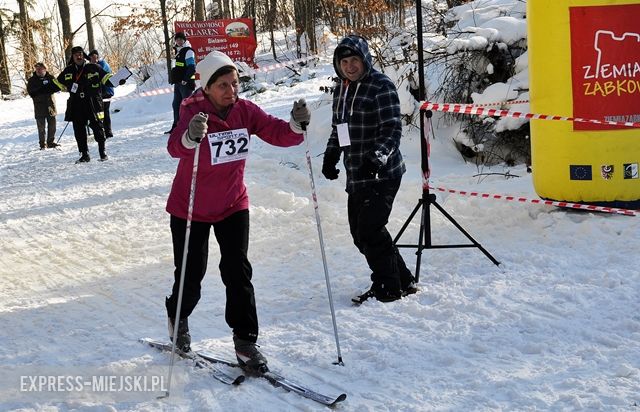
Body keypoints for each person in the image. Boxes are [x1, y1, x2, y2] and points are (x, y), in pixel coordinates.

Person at [164, 50, 310, 371]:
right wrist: (190, 137)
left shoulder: (244, 111)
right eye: (223, 85)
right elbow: (175, 145)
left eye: (234, 83)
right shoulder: (192, 111)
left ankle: (245, 341)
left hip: (232, 203)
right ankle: (178, 315)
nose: (231, 91)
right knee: (191, 277)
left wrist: (296, 127)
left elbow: (275, 131)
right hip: (191, 207)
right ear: (206, 88)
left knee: (237, 271)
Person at [321, 35, 417, 304]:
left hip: (383, 173)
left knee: (370, 229)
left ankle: (388, 288)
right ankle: (404, 279)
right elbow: (339, 128)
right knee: (359, 234)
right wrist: (332, 154)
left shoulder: (381, 86)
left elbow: (392, 129)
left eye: (354, 60)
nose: (350, 66)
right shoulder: (342, 89)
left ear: (365, 60)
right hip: (356, 173)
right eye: (344, 61)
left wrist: (376, 159)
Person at [57, 46, 113, 163]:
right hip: (77, 104)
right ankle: (84, 155)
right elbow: (58, 83)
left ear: (84, 56)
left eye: (81, 54)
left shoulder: (93, 67)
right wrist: (67, 87)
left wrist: (118, 80)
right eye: (76, 54)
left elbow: (106, 78)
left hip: (93, 103)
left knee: (98, 127)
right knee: (79, 130)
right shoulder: (68, 70)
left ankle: (103, 153)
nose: (79, 56)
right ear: (72, 57)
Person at [165, 32, 196, 134]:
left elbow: (192, 67)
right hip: (178, 83)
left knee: (186, 106)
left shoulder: (188, 51)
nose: (178, 41)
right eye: (177, 40)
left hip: (185, 84)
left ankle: (188, 128)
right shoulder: (179, 51)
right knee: (176, 105)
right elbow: (179, 67)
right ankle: (176, 127)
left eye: (180, 39)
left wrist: (185, 79)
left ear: (184, 40)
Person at [27, 62, 61, 150]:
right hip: (39, 106)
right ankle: (42, 144)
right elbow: (31, 92)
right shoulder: (32, 80)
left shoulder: (51, 78)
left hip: (50, 105)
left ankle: (51, 142)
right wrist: (42, 90)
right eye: (37, 69)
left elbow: (59, 87)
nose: (38, 70)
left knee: (52, 125)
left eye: (40, 68)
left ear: (45, 69)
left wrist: (49, 88)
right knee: (41, 127)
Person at [89, 50, 114, 138]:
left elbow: (100, 77)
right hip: (100, 93)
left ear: (97, 57)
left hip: (106, 92)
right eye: (91, 58)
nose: (92, 59)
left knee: (104, 113)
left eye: (93, 57)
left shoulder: (102, 64)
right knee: (100, 113)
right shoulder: (97, 65)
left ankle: (108, 132)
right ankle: (102, 130)